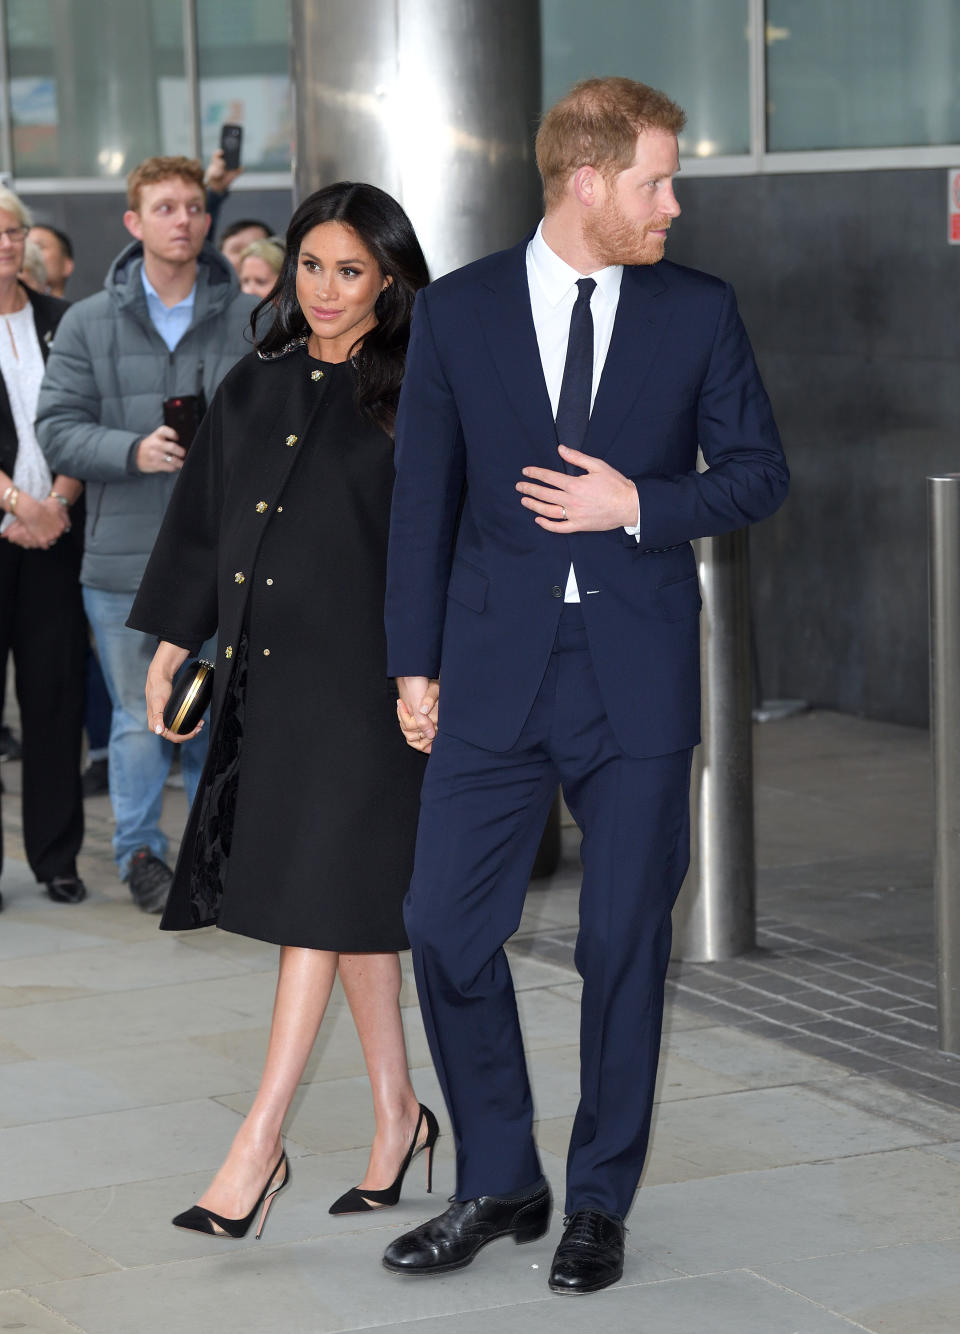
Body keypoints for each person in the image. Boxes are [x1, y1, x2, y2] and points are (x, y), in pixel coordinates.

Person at [382, 77, 790, 1295]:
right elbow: (423, 504)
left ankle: (599, 1198)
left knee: (621, 942)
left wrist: (642, 505)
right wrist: (413, 660)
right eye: (657, 181)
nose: (674, 203)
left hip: (637, 679)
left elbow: (761, 473)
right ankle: (502, 1176)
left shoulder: (698, 309)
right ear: (587, 181)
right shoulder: (457, 314)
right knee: (444, 928)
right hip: (493, 671)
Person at [126, 181, 437, 1239]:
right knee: (348, 910)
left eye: (352, 271)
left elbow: (451, 541)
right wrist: (176, 637)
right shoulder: (255, 383)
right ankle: (399, 1113)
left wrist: (433, 669)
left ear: (390, 277)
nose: (327, 290)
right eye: (311, 266)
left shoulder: (420, 390)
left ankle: (257, 1145)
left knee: (316, 902)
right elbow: (206, 520)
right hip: (275, 681)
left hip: (377, 691)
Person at [36, 156, 255, 914]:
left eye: (194, 206)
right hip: (124, 559)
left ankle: (210, 853)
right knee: (140, 717)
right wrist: (133, 451)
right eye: (165, 208)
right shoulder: (88, 321)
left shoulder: (248, 316)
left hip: (224, 559)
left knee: (214, 711)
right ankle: (139, 855)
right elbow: (56, 431)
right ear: (134, 223)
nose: (184, 220)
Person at [0, 186, 86, 911]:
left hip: (57, 535)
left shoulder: (64, 320)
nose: (5, 242)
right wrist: (14, 502)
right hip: (4, 523)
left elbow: (84, 416)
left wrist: (55, 503)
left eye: (12, 230)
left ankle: (58, 858)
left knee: (56, 697)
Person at [26, 225, 73, 298]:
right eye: (26, 247)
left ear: (66, 266)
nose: (28, 253)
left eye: (39, 246)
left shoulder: (80, 309)